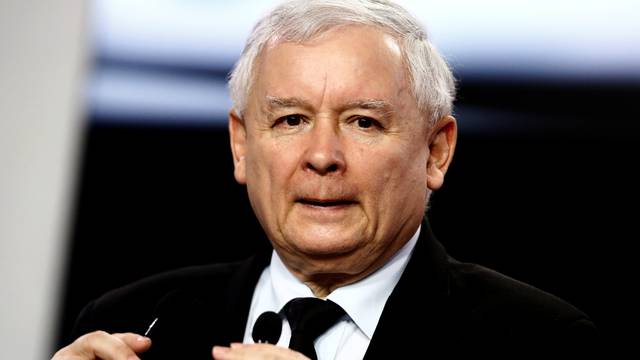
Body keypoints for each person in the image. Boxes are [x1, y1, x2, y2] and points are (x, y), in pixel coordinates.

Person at [52, 0, 597, 359]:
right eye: (291, 120)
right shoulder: (131, 322)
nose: (322, 156)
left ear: (436, 152)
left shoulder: (540, 342)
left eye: (364, 121)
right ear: (241, 145)